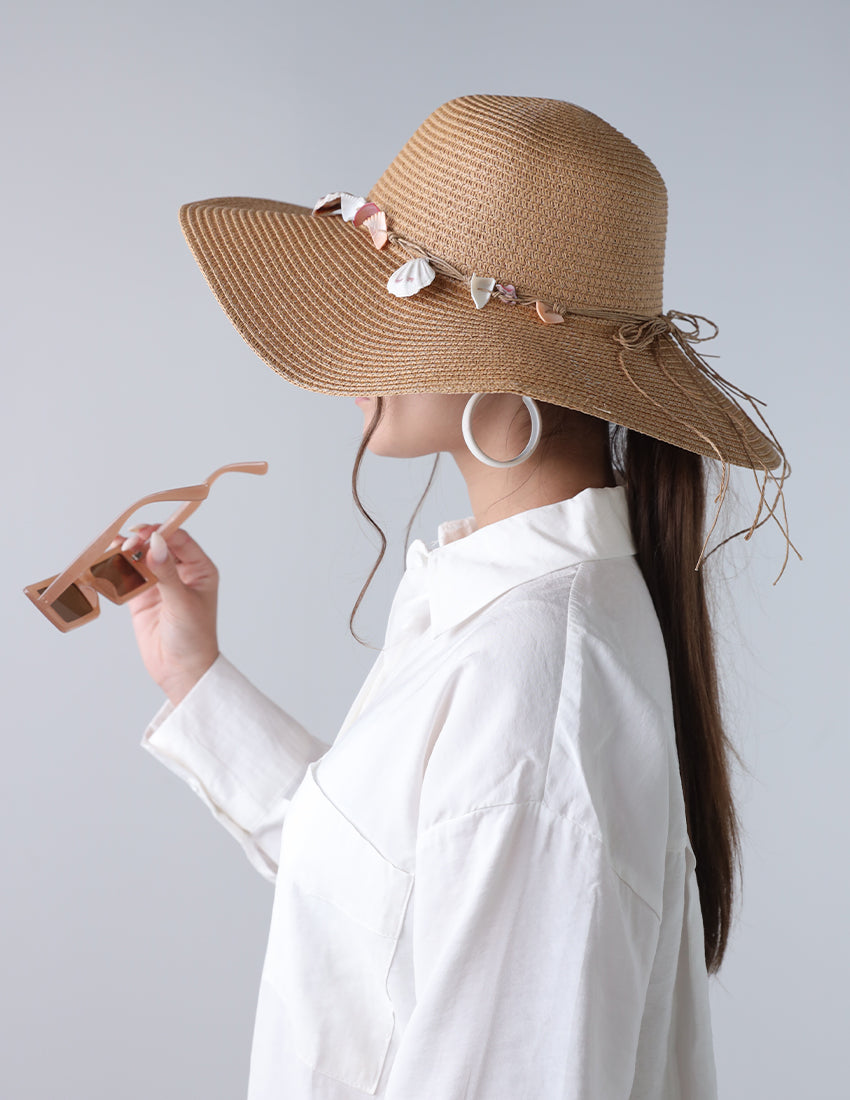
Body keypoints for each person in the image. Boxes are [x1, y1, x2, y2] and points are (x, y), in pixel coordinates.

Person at [122, 96, 795, 1099]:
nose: (351, 339)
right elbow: (381, 897)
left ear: (510, 371)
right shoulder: (510, 608)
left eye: (390, 298)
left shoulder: (536, 676)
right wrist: (194, 674)